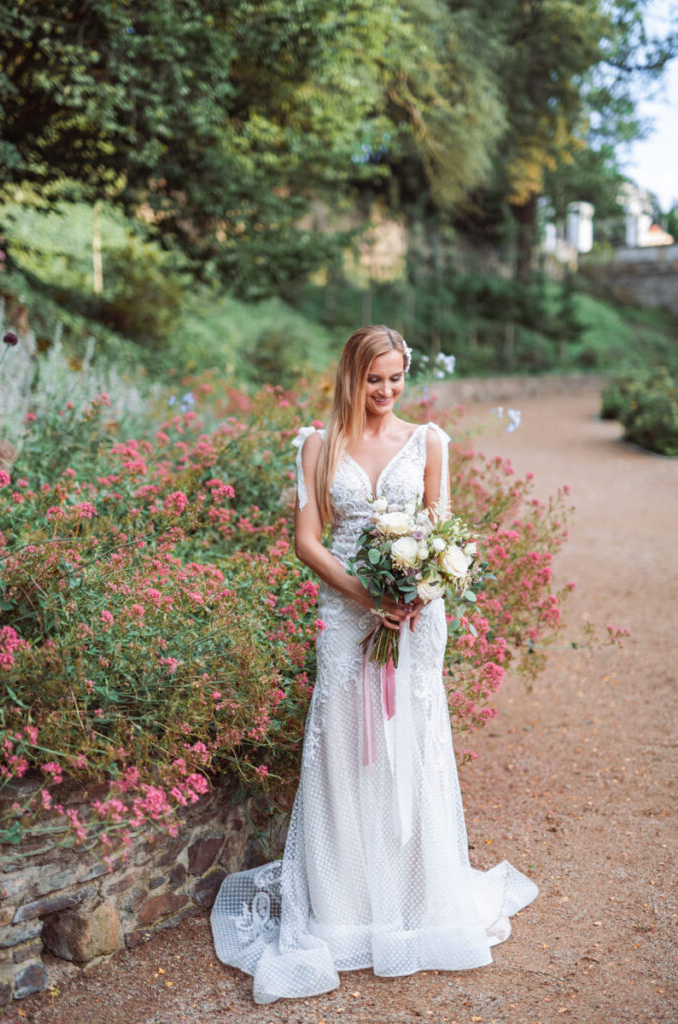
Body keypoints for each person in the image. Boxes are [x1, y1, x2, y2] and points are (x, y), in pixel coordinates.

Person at [210, 325, 537, 1004]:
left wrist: (417, 593)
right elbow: (307, 541)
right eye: (373, 379)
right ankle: (343, 906)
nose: (385, 392)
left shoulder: (429, 442)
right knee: (343, 747)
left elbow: (439, 530)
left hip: (414, 620)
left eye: (395, 378)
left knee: (409, 744)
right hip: (345, 614)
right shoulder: (316, 444)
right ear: (350, 378)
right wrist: (366, 596)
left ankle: (418, 900)